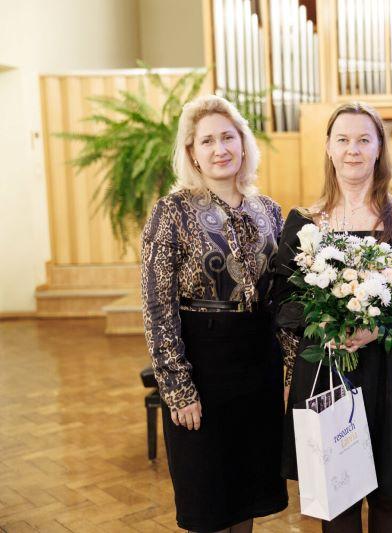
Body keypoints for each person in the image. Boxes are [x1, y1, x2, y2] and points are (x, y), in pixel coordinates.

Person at [273, 102, 392, 533]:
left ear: (379, 149)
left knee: (389, 497)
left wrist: (378, 328)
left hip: (389, 374)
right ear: (329, 148)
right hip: (326, 371)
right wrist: (322, 322)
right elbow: (279, 299)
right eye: (344, 139)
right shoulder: (304, 223)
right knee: (338, 499)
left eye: (364, 140)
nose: (353, 149)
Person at [141, 95, 287, 533]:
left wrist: (292, 371)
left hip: (258, 365)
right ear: (192, 152)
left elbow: (282, 297)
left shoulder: (269, 210)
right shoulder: (171, 212)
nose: (220, 148)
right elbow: (157, 306)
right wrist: (177, 387)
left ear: (243, 143)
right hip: (202, 363)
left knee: (247, 498)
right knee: (208, 500)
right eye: (207, 141)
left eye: (228, 137)